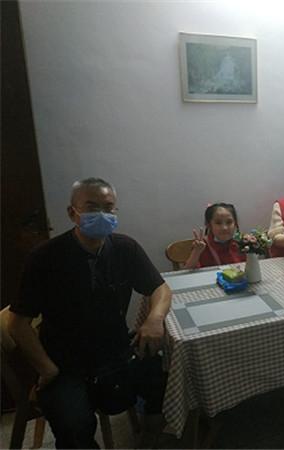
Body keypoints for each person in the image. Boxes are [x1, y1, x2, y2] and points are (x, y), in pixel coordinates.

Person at [6, 178, 172, 449]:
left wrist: (155, 319)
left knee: (165, 373)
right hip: (65, 362)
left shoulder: (124, 248)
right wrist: (47, 368)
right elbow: (18, 325)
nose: (102, 215)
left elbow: (160, 288)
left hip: (115, 348)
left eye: (108, 208)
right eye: (92, 207)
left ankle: (152, 436)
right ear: (73, 213)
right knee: (74, 426)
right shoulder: (45, 258)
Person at [184, 203, 245, 268]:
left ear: (235, 224)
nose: (224, 228)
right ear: (209, 225)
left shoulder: (242, 243)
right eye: (218, 223)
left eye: (229, 222)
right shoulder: (202, 245)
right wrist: (196, 252)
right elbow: (187, 271)